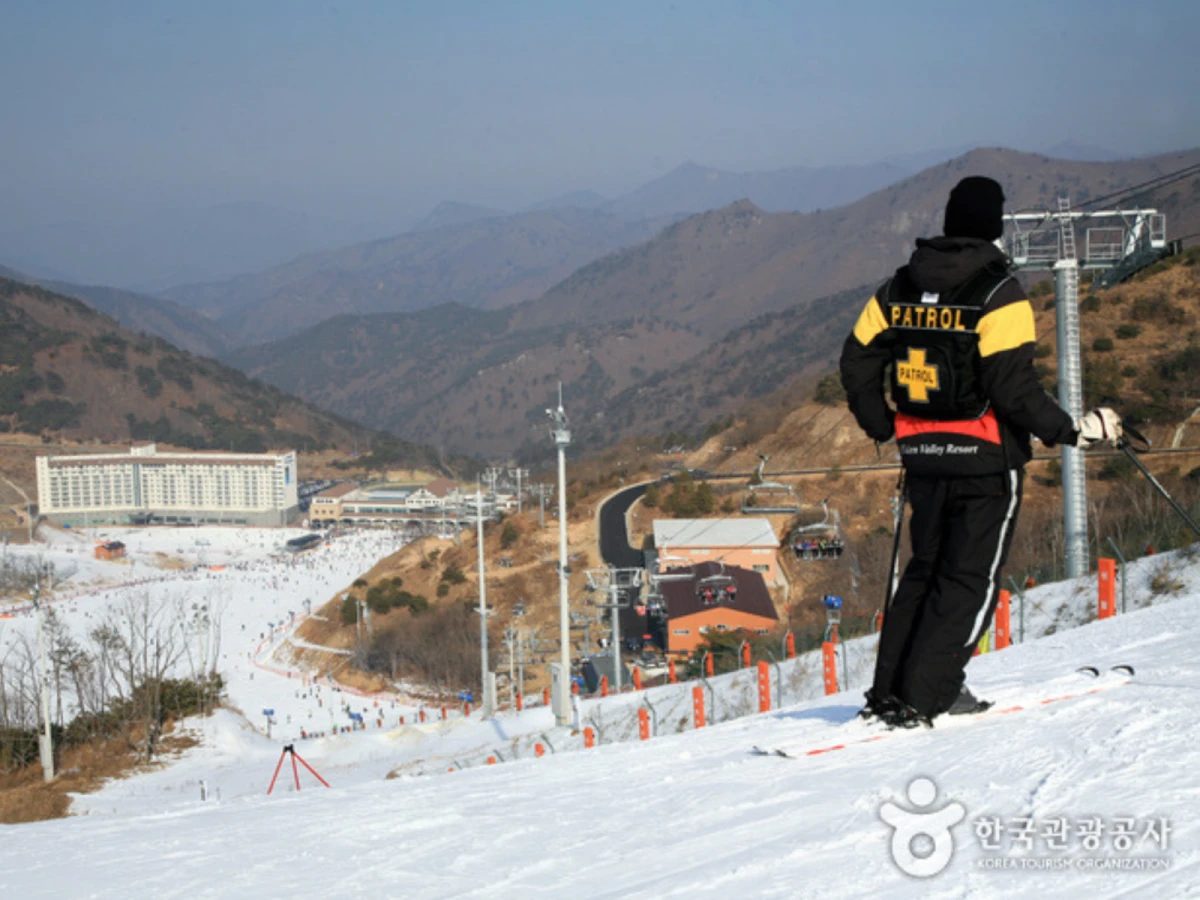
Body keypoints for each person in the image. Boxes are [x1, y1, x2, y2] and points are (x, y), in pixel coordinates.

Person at [839, 175, 1123, 728]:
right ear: (994, 225)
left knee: (924, 572)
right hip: (985, 456)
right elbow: (1013, 388)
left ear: (948, 222)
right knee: (968, 579)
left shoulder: (896, 288)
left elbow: (857, 359)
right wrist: (1074, 431)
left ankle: (889, 693)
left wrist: (884, 424)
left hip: (921, 451)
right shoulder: (999, 293)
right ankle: (929, 696)